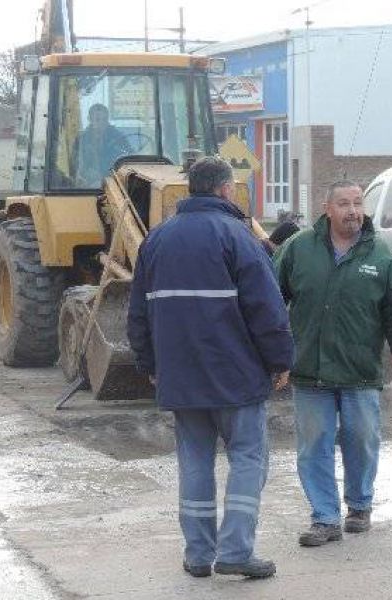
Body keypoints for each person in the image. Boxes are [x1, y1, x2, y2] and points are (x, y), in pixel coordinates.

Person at [127, 157, 294, 579]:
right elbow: (267, 308)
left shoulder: (156, 240)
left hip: (180, 377)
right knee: (248, 458)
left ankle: (199, 555)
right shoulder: (238, 237)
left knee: (195, 462)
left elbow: (138, 314)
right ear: (225, 190)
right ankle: (236, 550)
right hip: (235, 375)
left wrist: (150, 363)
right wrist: (280, 360)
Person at [274, 180, 392, 547]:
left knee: (361, 438)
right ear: (327, 208)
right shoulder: (298, 249)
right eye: (344, 204)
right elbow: (271, 299)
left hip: (359, 370)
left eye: (358, 204)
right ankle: (324, 518)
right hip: (310, 369)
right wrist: (271, 350)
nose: (353, 211)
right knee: (314, 443)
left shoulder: (382, 255)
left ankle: (359, 505)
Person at [74, 103, 132, 187]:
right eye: (97, 119)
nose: (101, 123)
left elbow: (129, 156)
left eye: (104, 119)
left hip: (114, 180)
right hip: (87, 182)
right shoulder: (81, 139)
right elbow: (74, 163)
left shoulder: (118, 137)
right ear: (90, 119)